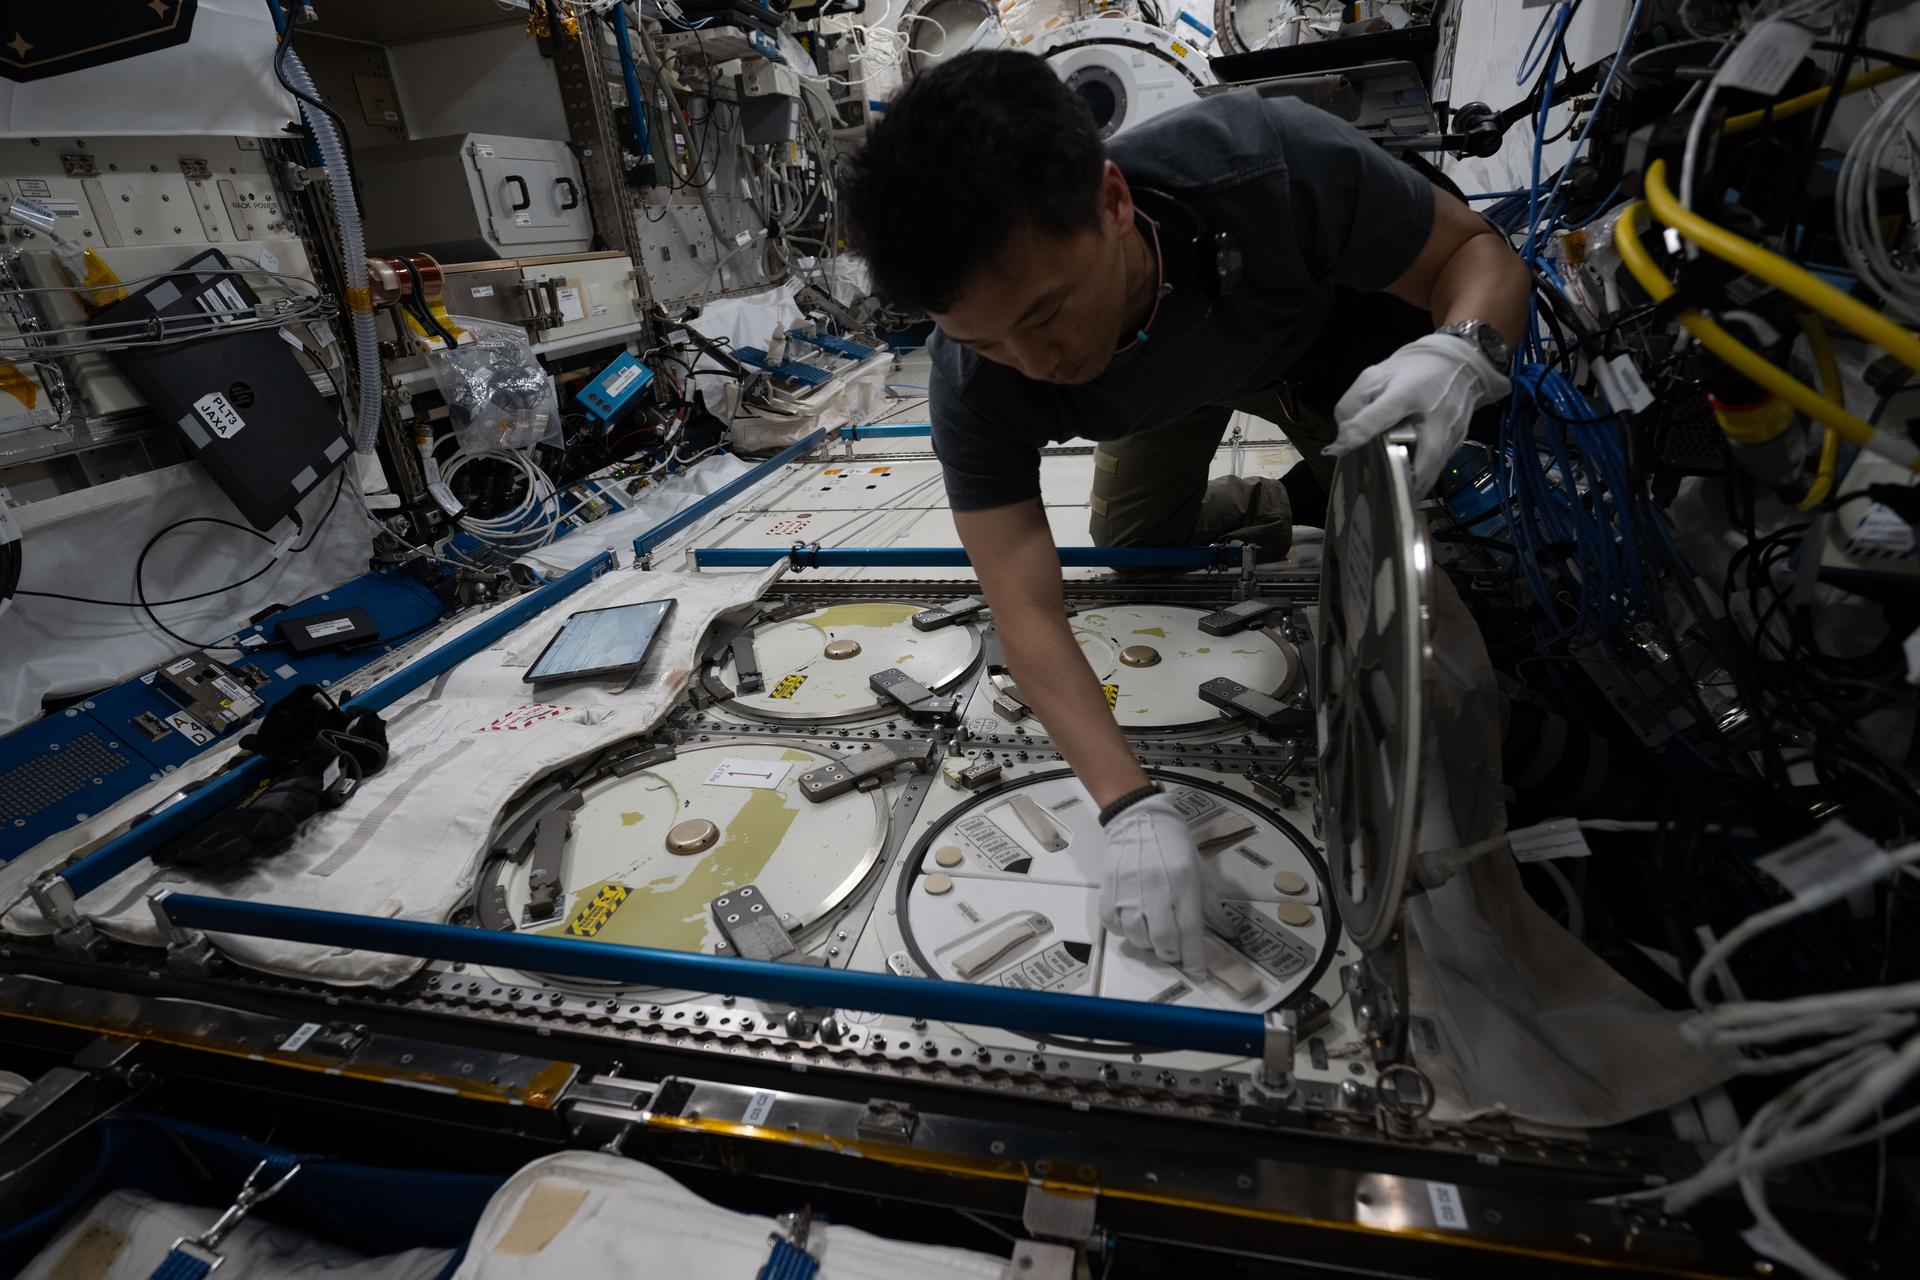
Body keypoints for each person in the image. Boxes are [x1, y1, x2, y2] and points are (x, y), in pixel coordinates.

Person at [842, 50, 1528, 977]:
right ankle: (1291, 500)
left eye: (1043, 314)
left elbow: (1479, 256)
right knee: (1133, 543)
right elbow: (1024, 607)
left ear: (1114, 202)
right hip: (1161, 380)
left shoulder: (1269, 165)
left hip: (1325, 337)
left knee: (1416, 558)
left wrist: (1463, 353)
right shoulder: (978, 379)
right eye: (985, 340)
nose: (1035, 364)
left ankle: (1346, 477)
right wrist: (1127, 804)